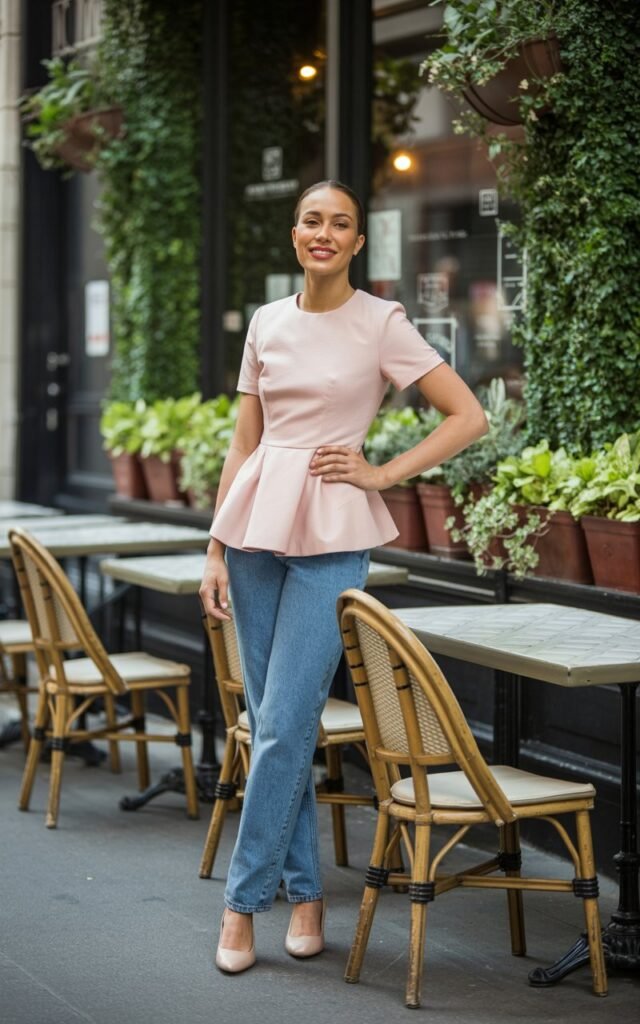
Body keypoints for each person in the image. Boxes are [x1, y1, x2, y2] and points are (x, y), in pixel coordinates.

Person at [200, 180, 488, 974]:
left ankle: (239, 903)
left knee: (285, 724)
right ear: (295, 234)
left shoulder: (381, 322)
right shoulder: (267, 321)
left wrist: (383, 473)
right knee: (274, 726)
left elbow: (468, 415)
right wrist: (215, 547)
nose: (323, 233)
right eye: (311, 221)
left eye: (340, 224)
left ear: (359, 241)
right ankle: (305, 895)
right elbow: (244, 442)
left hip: (332, 532)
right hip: (253, 529)